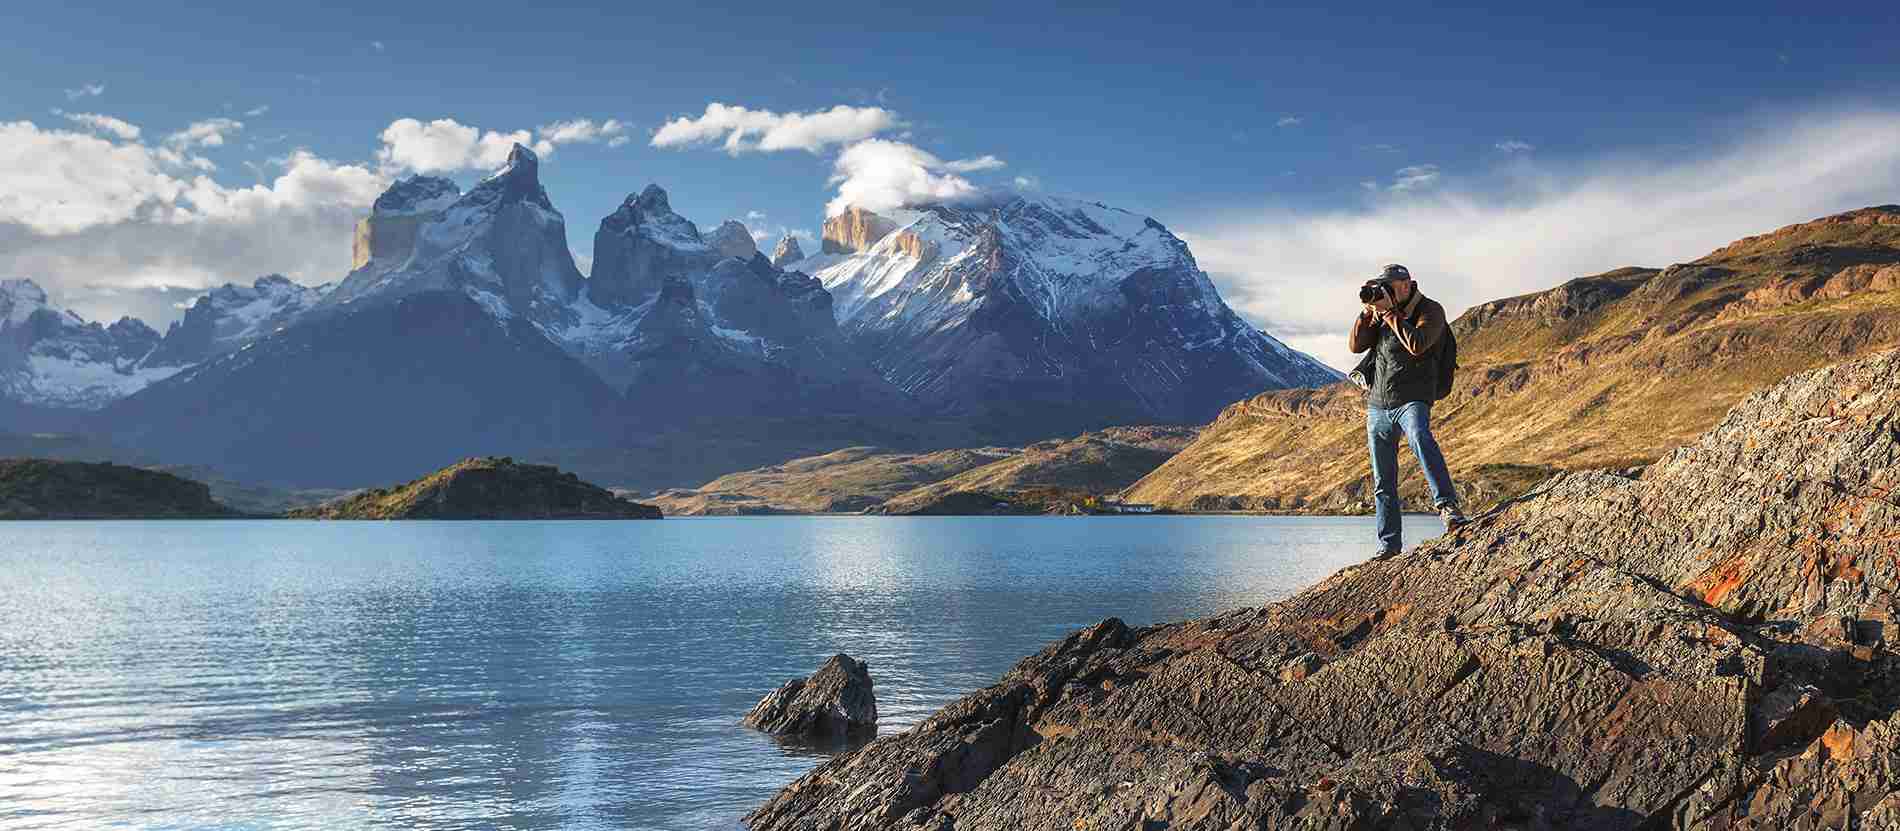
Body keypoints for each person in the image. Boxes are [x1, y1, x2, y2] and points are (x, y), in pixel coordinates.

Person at [1348, 264, 1469, 557]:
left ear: (1406, 285)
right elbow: (1355, 347)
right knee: (1383, 479)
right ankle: (1389, 546)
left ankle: (1448, 509)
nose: (1384, 291)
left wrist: (1390, 314)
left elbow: (1417, 344)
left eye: (1389, 286)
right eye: (1382, 286)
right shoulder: (1379, 313)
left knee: (1420, 438)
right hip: (1378, 403)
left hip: (1413, 397)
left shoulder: (1431, 310)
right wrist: (1367, 314)